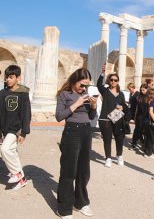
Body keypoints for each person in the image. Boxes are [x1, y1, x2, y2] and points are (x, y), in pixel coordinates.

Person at [55, 68, 97, 219]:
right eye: (82, 84)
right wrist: (77, 103)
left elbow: (92, 117)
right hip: (72, 131)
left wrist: (93, 106)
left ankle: (80, 202)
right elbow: (59, 116)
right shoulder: (64, 94)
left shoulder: (86, 95)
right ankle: (64, 208)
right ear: (74, 80)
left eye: (86, 86)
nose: (84, 88)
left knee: (84, 171)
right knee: (69, 170)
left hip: (86, 131)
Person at [0, 65, 31, 191]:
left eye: (11, 77)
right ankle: (22, 180)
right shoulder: (2, 93)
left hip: (16, 128)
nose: (8, 79)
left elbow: (26, 113)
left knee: (5, 149)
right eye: (7, 77)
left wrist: (24, 132)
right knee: (12, 152)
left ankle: (16, 173)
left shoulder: (23, 93)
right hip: (5, 128)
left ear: (18, 78)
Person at [97, 69, 127, 168]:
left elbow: (124, 105)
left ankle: (119, 156)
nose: (113, 81)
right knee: (107, 139)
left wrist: (122, 107)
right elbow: (98, 85)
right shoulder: (105, 91)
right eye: (111, 80)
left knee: (119, 139)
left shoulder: (121, 94)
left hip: (117, 118)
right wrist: (102, 73)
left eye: (115, 80)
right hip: (106, 119)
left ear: (118, 81)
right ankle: (108, 158)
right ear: (109, 81)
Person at [129, 83, 148, 150]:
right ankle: (134, 143)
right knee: (137, 130)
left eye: (143, 90)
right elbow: (136, 108)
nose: (142, 91)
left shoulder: (148, 97)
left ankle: (143, 143)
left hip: (146, 117)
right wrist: (135, 117)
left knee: (143, 131)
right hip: (139, 116)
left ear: (146, 89)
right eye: (141, 90)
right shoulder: (139, 96)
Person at [143, 88, 154, 158]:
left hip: (146, 121)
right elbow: (151, 112)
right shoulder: (152, 101)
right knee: (151, 137)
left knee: (147, 137)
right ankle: (149, 153)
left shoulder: (146, 101)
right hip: (150, 121)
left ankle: (146, 151)